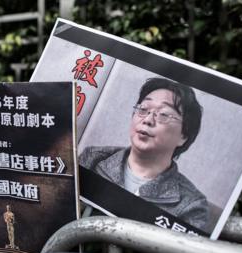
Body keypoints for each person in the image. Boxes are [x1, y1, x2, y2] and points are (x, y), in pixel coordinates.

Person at [79, 77, 208, 230]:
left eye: (164, 114)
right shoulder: (93, 158)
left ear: (183, 136)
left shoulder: (192, 204)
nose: (147, 119)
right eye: (143, 109)